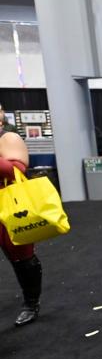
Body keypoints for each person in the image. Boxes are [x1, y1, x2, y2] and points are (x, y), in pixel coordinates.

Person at [0, 127, 42, 326]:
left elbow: (16, 170)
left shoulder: (7, 137)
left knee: (21, 257)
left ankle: (31, 304)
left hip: (9, 207)